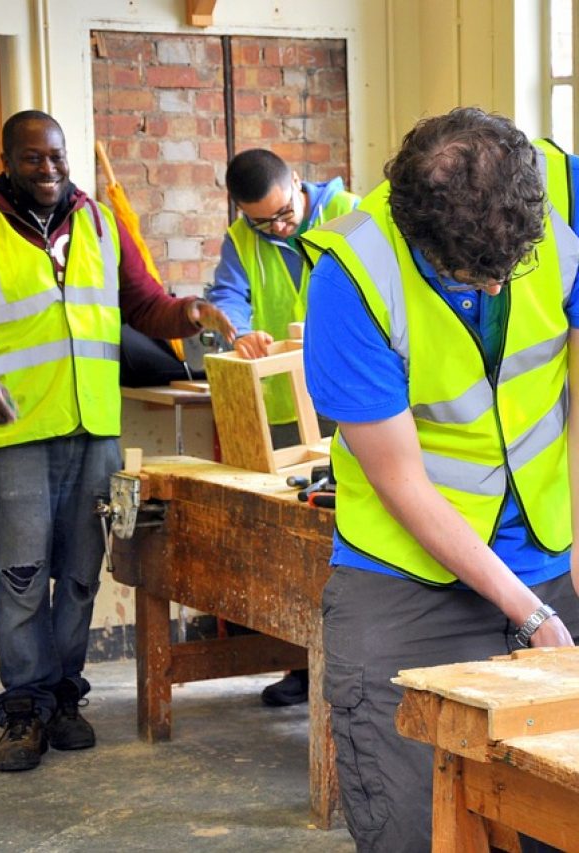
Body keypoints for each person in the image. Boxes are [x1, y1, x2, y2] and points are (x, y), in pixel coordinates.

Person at [301, 106, 579, 853]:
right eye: (470, 274)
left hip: (550, 551)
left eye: (509, 268)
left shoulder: (565, 195)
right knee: (411, 825)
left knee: (565, 810)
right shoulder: (350, 278)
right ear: (417, 233)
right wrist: (526, 612)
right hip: (404, 572)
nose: (494, 290)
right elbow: (404, 483)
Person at [0, 110, 235, 773]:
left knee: (77, 577)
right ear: (8, 159)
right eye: (33, 158)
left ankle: (66, 698)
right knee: (19, 578)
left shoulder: (101, 223)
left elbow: (146, 304)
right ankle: (23, 710)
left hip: (93, 432)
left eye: (57, 157)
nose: (49, 169)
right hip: (14, 434)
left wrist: (190, 311)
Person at [208, 148, 360, 707]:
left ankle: (345, 669)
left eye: (283, 214)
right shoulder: (243, 239)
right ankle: (300, 664)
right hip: (281, 402)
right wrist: (239, 330)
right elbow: (225, 295)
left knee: (339, 539)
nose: (277, 226)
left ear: (298, 182)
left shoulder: (349, 210)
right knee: (289, 540)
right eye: (262, 220)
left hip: (346, 399)